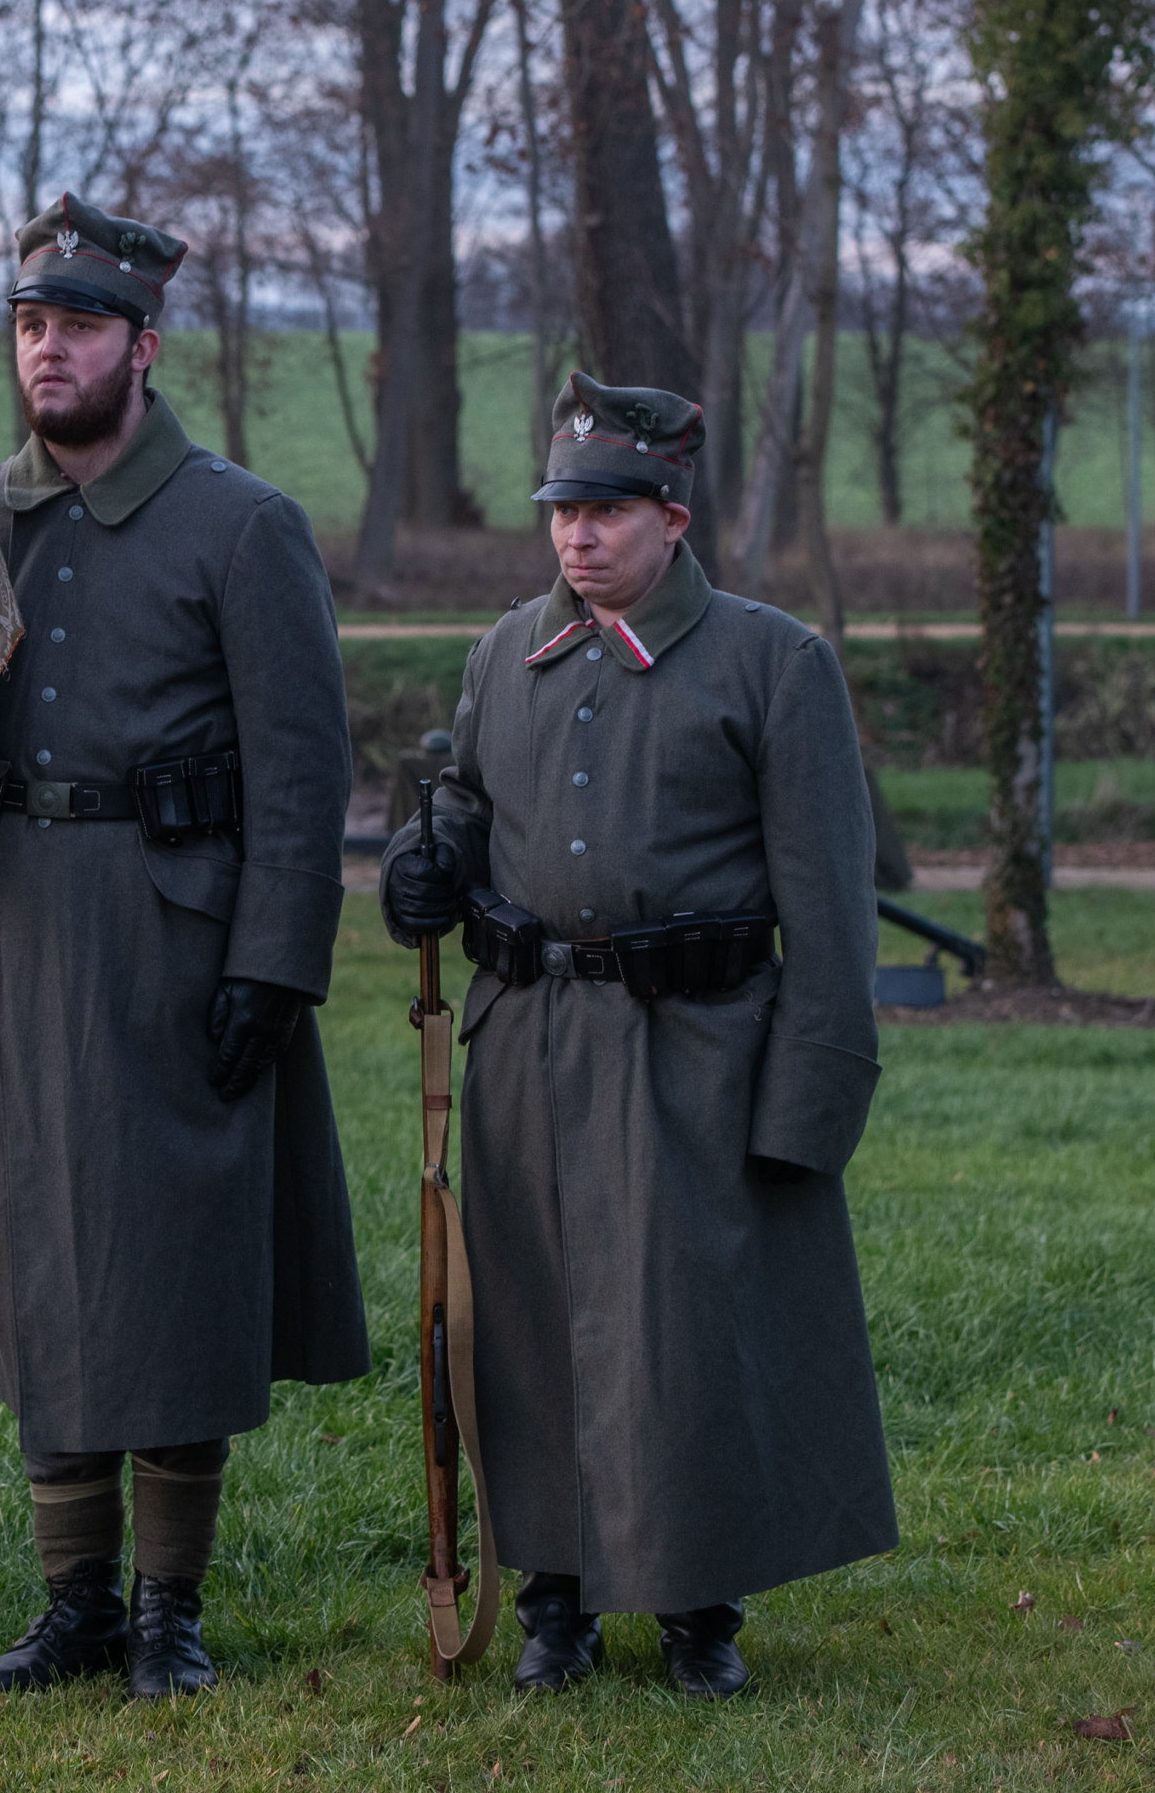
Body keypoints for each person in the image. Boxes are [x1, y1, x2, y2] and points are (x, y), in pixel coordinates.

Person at [0, 196, 368, 1700]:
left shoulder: (242, 526)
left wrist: (275, 962)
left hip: (171, 945)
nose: (50, 351)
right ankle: (76, 1604)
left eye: (82, 327)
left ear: (145, 349)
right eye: (33, 325)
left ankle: (170, 1607)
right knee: (36, 1254)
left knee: (166, 1268)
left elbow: (304, 772)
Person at [378, 371, 895, 1699]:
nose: (578, 536)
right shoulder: (507, 653)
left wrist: (808, 1110)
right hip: (528, 1047)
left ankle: (696, 1606)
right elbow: (465, 813)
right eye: (563, 510)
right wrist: (420, 873)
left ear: (672, 515)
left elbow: (833, 921)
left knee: (684, 1336)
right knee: (531, 1328)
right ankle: (554, 1601)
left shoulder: (774, 666)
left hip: (697, 1052)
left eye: (608, 510)